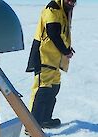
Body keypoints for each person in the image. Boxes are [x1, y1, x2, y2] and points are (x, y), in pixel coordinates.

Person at [26, 0, 76, 129]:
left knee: (53, 88)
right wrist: (65, 51)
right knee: (42, 90)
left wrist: (67, 49)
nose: (71, 2)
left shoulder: (63, 11)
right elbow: (53, 33)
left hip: (54, 59)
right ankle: (32, 125)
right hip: (44, 57)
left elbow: (61, 34)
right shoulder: (52, 9)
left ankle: (44, 119)